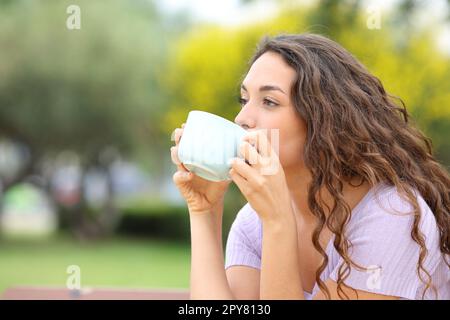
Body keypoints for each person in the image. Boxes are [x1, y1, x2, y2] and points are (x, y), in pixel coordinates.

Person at [170, 33, 449, 300]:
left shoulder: (392, 215)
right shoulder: (253, 222)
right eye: (244, 100)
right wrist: (204, 210)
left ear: (324, 120)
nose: (242, 118)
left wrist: (278, 222)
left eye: (269, 101)